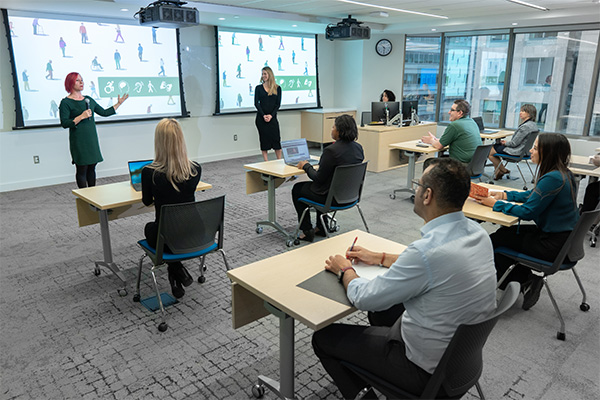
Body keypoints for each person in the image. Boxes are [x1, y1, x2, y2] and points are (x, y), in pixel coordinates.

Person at [312, 158, 497, 399]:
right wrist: (379, 257)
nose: (417, 190)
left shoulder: (426, 252)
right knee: (381, 313)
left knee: (323, 338)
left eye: (418, 185)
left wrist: (345, 269)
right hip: (458, 361)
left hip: (424, 371)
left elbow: (364, 298)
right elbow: (434, 266)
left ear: (427, 195)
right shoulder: (478, 234)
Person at [474, 133, 578, 310]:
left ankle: (523, 280)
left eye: (536, 148)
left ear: (549, 153)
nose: (531, 150)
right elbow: (533, 196)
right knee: (502, 234)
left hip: (552, 245)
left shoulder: (552, 178)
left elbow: (528, 211)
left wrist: (497, 204)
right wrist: (505, 195)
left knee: (495, 242)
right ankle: (525, 279)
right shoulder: (563, 174)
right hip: (564, 240)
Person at [141, 118, 201, 299]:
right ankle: (177, 272)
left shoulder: (149, 172)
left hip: (166, 238)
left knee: (150, 228)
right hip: (196, 233)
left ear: (158, 142)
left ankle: (176, 268)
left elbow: (146, 201)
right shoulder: (196, 169)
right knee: (168, 232)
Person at [291, 114, 364, 242]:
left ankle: (307, 230)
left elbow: (318, 178)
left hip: (333, 199)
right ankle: (321, 227)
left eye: (333, 127)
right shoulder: (358, 148)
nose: (331, 129)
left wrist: (306, 166)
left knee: (298, 189)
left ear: (340, 131)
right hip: (351, 196)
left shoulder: (331, 151)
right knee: (325, 186)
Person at [59, 72, 129, 188]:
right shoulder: (66, 103)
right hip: (79, 141)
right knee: (82, 169)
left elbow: (104, 113)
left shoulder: (88, 100)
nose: (81, 83)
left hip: (91, 140)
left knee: (92, 167)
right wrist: (81, 116)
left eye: (82, 80)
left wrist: (118, 104)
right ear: (70, 83)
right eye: (78, 80)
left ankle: (93, 197)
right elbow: (65, 123)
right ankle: (84, 198)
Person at [421, 99, 481, 168]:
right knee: (442, 158)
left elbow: (439, 146)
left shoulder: (455, 125)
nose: (449, 112)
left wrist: (431, 140)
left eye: (452, 110)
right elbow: (458, 140)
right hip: (475, 164)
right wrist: (436, 140)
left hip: (462, 165)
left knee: (429, 162)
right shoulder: (472, 122)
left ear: (460, 113)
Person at [489, 104, 539, 180]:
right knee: (495, 148)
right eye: (520, 111)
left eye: (523, 111)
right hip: (524, 151)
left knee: (490, 150)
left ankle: (503, 170)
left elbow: (514, 143)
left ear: (529, 113)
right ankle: (498, 172)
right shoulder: (533, 125)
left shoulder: (525, 127)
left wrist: (505, 143)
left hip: (516, 151)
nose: (520, 113)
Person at [254, 66, 282, 161]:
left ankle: (279, 160)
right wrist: (264, 115)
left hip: (272, 118)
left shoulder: (277, 88)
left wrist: (271, 115)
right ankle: (266, 162)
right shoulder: (258, 88)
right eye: (262, 74)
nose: (263, 76)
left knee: (276, 140)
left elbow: (278, 104)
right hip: (261, 119)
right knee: (264, 140)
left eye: (265, 74)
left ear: (270, 75)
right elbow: (256, 103)